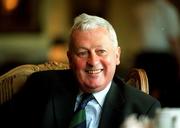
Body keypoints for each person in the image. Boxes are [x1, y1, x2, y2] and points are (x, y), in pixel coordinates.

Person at [0, 13, 161, 128]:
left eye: (101, 51)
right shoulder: (42, 85)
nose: (93, 61)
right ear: (70, 59)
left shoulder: (143, 108)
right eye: (83, 53)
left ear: (117, 55)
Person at [133, 0, 180, 107]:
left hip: (143, 56)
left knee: (143, 92)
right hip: (162, 58)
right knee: (166, 96)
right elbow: (173, 39)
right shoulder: (168, 9)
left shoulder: (140, 8)